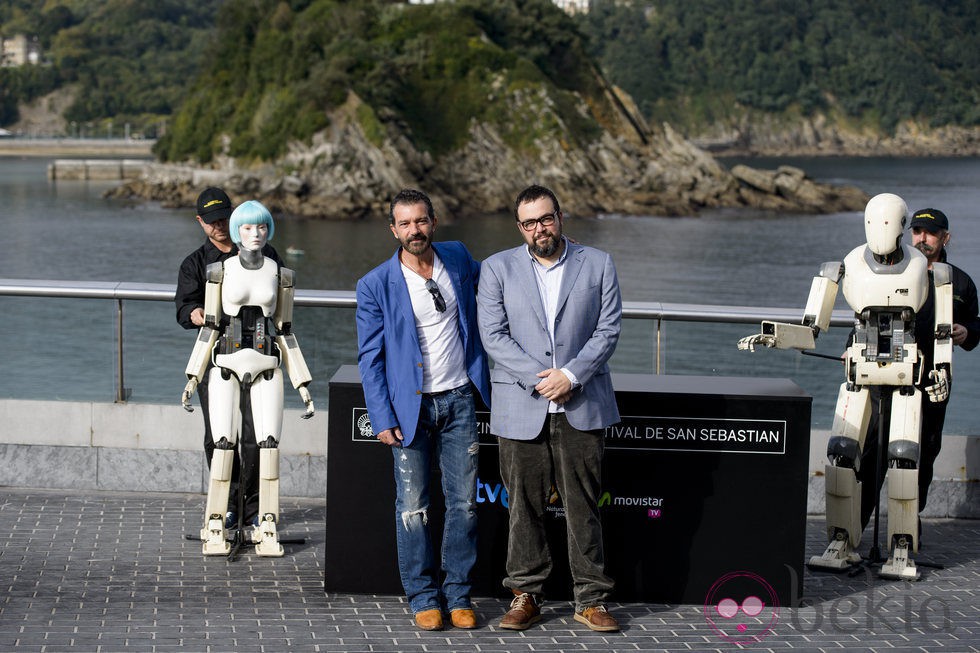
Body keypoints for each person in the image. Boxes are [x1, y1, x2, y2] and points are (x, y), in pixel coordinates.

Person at [738, 193, 953, 580]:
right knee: (842, 452)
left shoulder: (929, 269)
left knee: (904, 455)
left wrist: (941, 370)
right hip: (861, 372)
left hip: (906, 375)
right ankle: (841, 540)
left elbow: (941, 332)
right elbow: (811, 326)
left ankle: (901, 546)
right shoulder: (845, 266)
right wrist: (775, 337)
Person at [476, 184, 622, 632]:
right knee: (523, 508)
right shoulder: (496, 268)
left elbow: (608, 328)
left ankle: (591, 600)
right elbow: (493, 335)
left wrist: (571, 376)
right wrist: (544, 380)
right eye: (530, 222)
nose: (540, 228)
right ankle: (526, 595)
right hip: (522, 406)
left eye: (546, 218)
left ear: (560, 216)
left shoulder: (598, 263)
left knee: (584, 509)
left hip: (582, 404)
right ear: (519, 227)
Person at [355, 189, 491, 631]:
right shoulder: (376, 284)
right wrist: (382, 416)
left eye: (421, 221)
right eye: (405, 224)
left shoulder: (459, 256)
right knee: (413, 506)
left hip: (460, 400)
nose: (415, 230)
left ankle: (459, 594)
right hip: (409, 408)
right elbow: (370, 357)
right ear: (393, 230)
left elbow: (492, 294)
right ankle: (422, 596)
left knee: (464, 506)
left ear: (433, 221)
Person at [181, 200, 314, 556]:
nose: (253, 234)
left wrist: (302, 383)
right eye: (246, 227)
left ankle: (263, 518)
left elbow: (285, 329)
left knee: (265, 442)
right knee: (222, 441)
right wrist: (193, 376)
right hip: (223, 361)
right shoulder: (211, 268)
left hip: (265, 362)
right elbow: (207, 327)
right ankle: (218, 517)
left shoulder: (276, 267)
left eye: (260, 228)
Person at [856, 208, 980, 537]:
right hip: (887, 371)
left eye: (931, 233)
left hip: (934, 378)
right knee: (875, 450)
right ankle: (854, 527)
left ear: (945, 238)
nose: (922, 239)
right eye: (917, 232)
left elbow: (975, 323)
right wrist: (850, 347)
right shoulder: (892, 273)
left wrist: (967, 331)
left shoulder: (961, 281)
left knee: (924, 451)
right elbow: (866, 315)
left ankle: (908, 524)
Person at [175, 187, 283, 529]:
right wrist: (201, 314)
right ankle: (229, 503)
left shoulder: (266, 254)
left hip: (260, 353)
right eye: (211, 222)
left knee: (255, 435)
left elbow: (280, 302)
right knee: (218, 436)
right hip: (216, 357)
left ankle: (253, 508)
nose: (219, 226)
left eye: (224, 217)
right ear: (200, 223)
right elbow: (183, 308)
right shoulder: (195, 263)